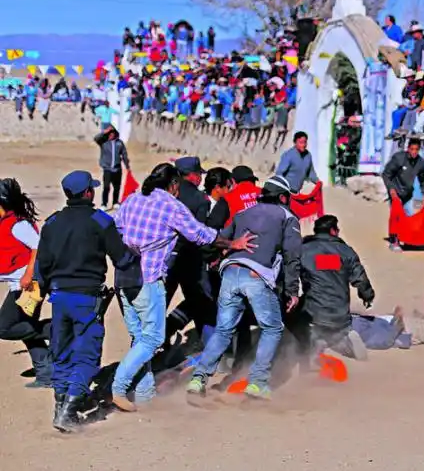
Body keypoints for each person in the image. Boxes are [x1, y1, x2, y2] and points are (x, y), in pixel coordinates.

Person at [110, 163, 255, 412]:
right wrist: (233, 243)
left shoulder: (132, 199)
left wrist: (133, 248)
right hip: (149, 279)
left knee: (140, 337)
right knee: (153, 338)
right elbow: (200, 234)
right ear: (174, 184)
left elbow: (117, 229)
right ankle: (119, 387)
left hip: (123, 277)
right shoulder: (170, 205)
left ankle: (144, 394)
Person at [34, 171, 136, 433]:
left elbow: (42, 266)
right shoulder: (100, 221)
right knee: (88, 355)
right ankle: (68, 411)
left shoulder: (52, 222)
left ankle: (60, 405)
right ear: (88, 192)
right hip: (87, 298)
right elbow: (122, 259)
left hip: (58, 297)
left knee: (61, 352)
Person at [186, 175, 302, 401]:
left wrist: (215, 260)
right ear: (283, 197)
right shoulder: (288, 217)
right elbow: (293, 257)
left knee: (223, 330)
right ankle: (258, 383)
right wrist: (292, 292)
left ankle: (198, 379)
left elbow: (217, 239)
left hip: (230, 274)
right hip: (257, 276)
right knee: (272, 328)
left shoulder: (242, 213)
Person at [297, 215, 375, 362]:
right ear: (333, 231)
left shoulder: (303, 250)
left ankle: (315, 344)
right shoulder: (346, 251)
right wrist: (368, 296)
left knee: (298, 320)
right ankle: (344, 339)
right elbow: (360, 279)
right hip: (340, 316)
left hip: (314, 315)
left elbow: (290, 276)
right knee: (338, 333)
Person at [0, 178, 49, 388]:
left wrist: (28, 274)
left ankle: (57, 330)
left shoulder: (18, 224)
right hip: (19, 284)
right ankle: (46, 373)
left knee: (4, 328)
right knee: (26, 328)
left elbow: (39, 247)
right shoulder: (5, 222)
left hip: (29, 285)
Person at [164, 157, 217, 351]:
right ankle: (210, 348)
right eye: (199, 174)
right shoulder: (199, 199)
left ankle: (154, 345)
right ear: (193, 176)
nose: (200, 179)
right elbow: (199, 234)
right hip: (190, 260)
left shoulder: (166, 194)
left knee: (159, 304)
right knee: (203, 303)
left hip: (165, 258)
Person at [381, 138, 424, 251]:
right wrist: (391, 189)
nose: (414, 152)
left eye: (416, 149)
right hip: (395, 193)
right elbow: (386, 174)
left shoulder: (420, 162)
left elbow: (423, 179)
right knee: (396, 218)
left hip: (408, 194)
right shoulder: (399, 158)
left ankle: (408, 241)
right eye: (412, 149)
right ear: (408, 149)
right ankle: (394, 242)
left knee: (409, 218)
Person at [95, 125, 130, 210]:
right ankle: (104, 204)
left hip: (117, 168)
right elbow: (96, 138)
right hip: (107, 169)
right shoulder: (103, 142)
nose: (111, 135)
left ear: (115, 133)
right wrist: (104, 132)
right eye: (109, 133)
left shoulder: (119, 143)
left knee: (117, 187)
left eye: (112, 133)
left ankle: (115, 202)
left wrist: (127, 165)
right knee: (106, 187)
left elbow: (124, 154)